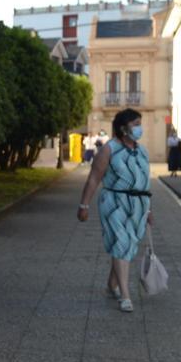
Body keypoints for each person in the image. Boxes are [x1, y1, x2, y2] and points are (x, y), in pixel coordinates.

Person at [76, 108, 152, 313]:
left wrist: (149, 210)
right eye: (135, 124)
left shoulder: (142, 151)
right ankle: (125, 295)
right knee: (121, 242)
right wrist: (84, 205)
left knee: (128, 246)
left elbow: (145, 182)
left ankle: (112, 284)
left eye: (140, 123)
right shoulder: (109, 149)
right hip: (114, 202)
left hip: (138, 204)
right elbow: (94, 178)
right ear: (122, 128)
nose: (139, 128)